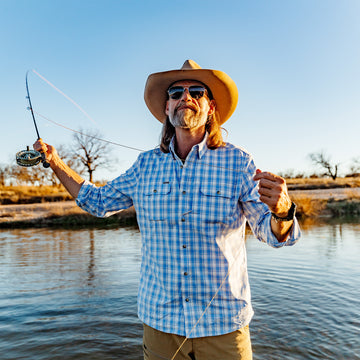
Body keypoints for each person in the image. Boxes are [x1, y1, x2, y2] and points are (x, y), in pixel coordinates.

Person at [34, 60, 301, 360]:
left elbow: (275, 235)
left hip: (224, 326)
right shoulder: (145, 165)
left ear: (210, 107)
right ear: (166, 108)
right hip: (160, 325)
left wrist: (282, 210)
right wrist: (55, 162)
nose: (185, 97)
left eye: (196, 91)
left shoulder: (239, 162)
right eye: (175, 93)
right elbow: (97, 202)